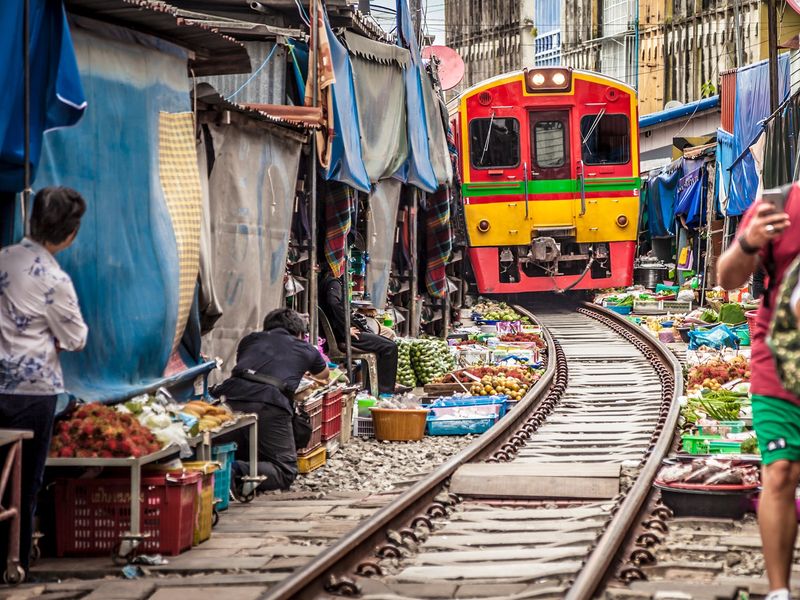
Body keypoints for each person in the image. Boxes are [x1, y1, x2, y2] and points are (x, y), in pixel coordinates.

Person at [0, 187, 88, 576]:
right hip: (32, 392)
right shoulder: (53, 279)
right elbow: (75, 338)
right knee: (24, 479)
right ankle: (13, 559)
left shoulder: (3, 258)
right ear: (69, 233)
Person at [717, 187, 799, 600]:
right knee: (780, 471)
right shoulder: (781, 204)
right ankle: (779, 591)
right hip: (780, 364)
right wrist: (750, 241)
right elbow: (727, 277)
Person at [211, 308, 329, 492]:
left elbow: (249, 366)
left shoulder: (250, 340)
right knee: (285, 470)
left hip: (229, 398)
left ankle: (218, 470)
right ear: (299, 332)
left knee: (235, 445)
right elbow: (324, 374)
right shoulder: (306, 348)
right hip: (270, 403)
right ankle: (231, 472)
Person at [318, 269, 403, 395]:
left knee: (386, 343)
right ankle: (384, 392)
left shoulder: (326, 282)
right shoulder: (333, 283)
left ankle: (374, 389)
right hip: (342, 337)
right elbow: (333, 303)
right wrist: (345, 329)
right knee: (390, 347)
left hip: (341, 333)